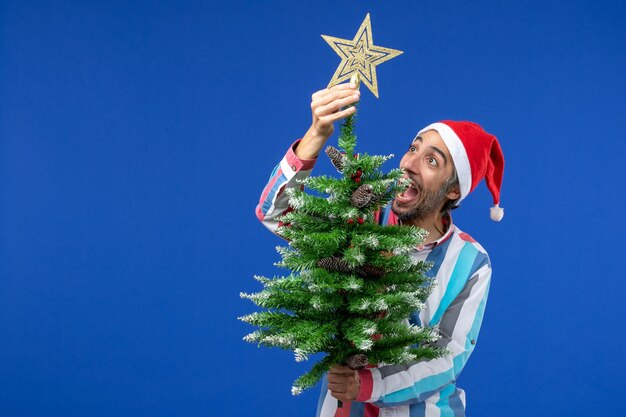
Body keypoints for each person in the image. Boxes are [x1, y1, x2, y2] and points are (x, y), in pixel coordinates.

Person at [255, 82, 505, 417]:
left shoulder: (471, 261)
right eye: (413, 148)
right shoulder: (361, 219)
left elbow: (448, 357)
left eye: (431, 160)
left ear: (454, 189)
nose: (410, 163)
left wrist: (368, 385)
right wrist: (316, 133)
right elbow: (275, 211)